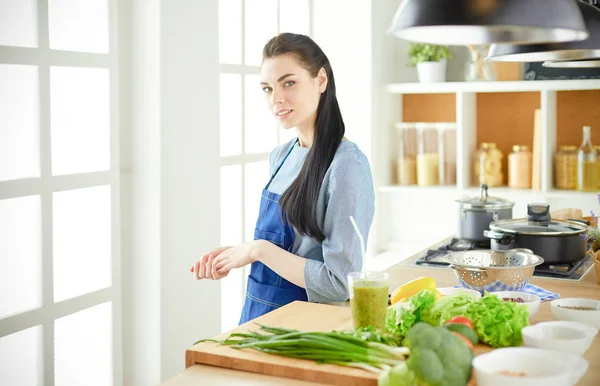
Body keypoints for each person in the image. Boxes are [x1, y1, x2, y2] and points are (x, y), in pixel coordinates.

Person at [191, 33, 375, 325]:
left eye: (289, 83)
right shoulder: (281, 156)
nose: (276, 99)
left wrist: (258, 250)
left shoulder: (347, 165)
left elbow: (338, 283)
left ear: (321, 80)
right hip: (257, 315)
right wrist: (240, 253)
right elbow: (292, 249)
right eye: (267, 88)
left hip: (305, 327)